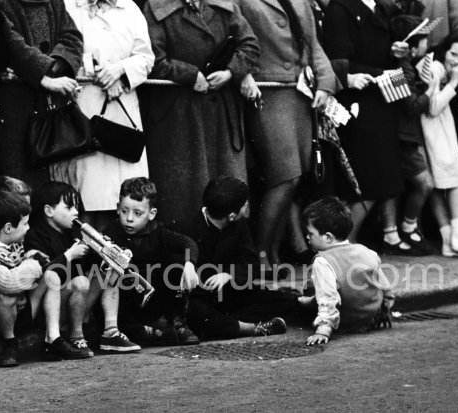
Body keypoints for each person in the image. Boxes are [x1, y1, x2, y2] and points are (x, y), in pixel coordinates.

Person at [235, 0, 339, 267]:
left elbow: (313, 45)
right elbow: (234, 37)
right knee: (284, 177)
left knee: (292, 180)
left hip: (300, 94)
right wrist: (242, 73)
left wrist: (325, 83)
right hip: (266, 92)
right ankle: (259, 254)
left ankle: (272, 254)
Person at [142, 0, 260, 224]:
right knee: (185, 196)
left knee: (229, 191)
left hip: (221, 116)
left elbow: (250, 45)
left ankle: (231, 251)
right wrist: (189, 74)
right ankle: (187, 252)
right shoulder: (156, 7)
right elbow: (152, 59)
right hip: (178, 118)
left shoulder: (224, 4)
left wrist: (230, 72)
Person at [51, 0, 155, 230]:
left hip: (121, 109)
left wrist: (121, 71)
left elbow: (146, 57)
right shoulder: (66, 6)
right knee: (86, 189)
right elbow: (58, 49)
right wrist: (91, 71)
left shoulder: (129, 8)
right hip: (82, 104)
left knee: (123, 190)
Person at [0, 191, 90, 367]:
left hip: (21, 311)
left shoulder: (12, 240)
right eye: (25, 224)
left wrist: (32, 258)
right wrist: (33, 264)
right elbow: (8, 283)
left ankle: (52, 338)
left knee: (51, 275)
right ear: (8, 228)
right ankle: (9, 345)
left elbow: (22, 264)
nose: (28, 228)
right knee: (4, 297)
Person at [171, 176, 299, 340]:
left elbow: (250, 262)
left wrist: (228, 274)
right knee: (199, 314)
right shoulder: (185, 228)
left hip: (232, 293)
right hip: (201, 297)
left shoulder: (239, 225)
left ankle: (302, 303)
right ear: (231, 215)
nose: (247, 206)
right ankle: (252, 329)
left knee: (273, 298)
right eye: (245, 204)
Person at [322, 0, 407, 243]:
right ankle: (343, 246)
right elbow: (336, 59)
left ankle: (349, 245)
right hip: (359, 105)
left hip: (383, 104)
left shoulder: (381, 8)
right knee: (366, 182)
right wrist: (349, 76)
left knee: (383, 179)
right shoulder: (340, 8)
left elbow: (389, 64)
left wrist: (397, 53)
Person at [25, 181, 141, 354]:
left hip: (78, 305)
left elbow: (91, 266)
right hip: (52, 312)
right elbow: (44, 275)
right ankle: (76, 337)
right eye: (69, 207)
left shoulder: (73, 233)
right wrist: (70, 254)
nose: (75, 212)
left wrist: (107, 253)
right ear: (49, 211)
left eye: (77, 207)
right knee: (79, 282)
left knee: (110, 269)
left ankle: (110, 332)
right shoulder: (34, 236)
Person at [0, 0, 83, 188]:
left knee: (52, 184)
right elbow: (8, 39)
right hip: (12, 102)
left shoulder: (54, 2)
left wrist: (56, 67)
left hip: (51, 103)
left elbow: (72, 36)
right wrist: (42, 72)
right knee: (18, 181)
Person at [102, 177, 201, 345]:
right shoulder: (111, 232)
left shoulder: (157, 230)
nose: (129, 218)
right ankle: (149, 333)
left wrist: (190, 264)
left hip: (154, 297)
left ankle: (176, 322)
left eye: (138, 213)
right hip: (125, 299)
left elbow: (187, 243)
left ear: (151, 214)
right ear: (118, 209)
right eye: (124, 211)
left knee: (177, 261)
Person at [299, 197, 394, 345]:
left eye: (310, 233)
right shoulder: (367, 252)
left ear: (328, 237)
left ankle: (306, 302)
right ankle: (307, 301)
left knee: (307, 292)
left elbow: (328, 297)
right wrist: (385, 310)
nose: (307, 237)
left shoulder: (323, 260)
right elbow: (385, 287)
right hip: (369, 319)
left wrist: (323, 329)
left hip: (345, 321)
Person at [378, 15, 435, 256]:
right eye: (424, 41)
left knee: (395, 186)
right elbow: (410, 106)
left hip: (401, 136)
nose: (427, 46)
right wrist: (431, 89)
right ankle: (408, 227)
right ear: (412, 45)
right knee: (424, 183)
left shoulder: (406, 67)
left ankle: (395, 232)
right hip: (403, 138)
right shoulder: (402, 69)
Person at [419, 29, 458, 258]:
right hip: (433, 127)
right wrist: (453, 83)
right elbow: (433, 108)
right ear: (446, 49)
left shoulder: (443, 67)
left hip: (439, 127)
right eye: (454, 54)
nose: (456, 61)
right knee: (453, 175)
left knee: (441, 180)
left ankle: (449, 239)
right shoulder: (435, 67)